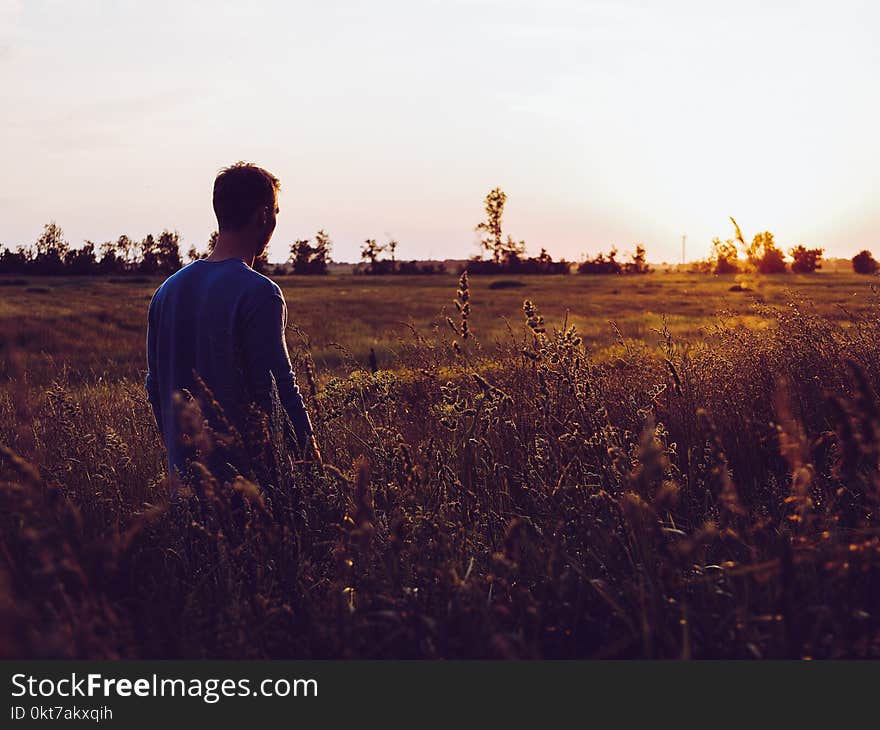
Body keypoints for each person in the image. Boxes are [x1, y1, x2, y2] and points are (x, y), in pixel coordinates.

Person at [145, 161, 320, 476]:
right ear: (263, 216)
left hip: (186, 487)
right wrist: (315, 469)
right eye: (276, 213)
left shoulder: (166, 292)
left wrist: (179, 456)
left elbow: (155, 387)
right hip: (250, 493)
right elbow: (278, 392)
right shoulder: (260, 293)